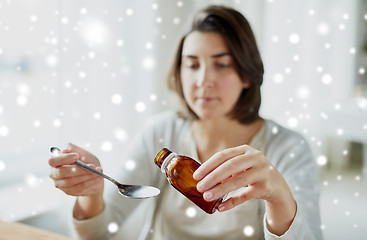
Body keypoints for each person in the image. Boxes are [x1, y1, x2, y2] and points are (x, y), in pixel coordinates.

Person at [48, 5, 322, 240]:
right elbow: (99, 233)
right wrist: (91, 193)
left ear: (247, 74)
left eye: (222, 64)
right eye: (192, 65)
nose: (203, 80)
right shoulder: (160, 132)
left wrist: (278, 197)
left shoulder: (289, 148)